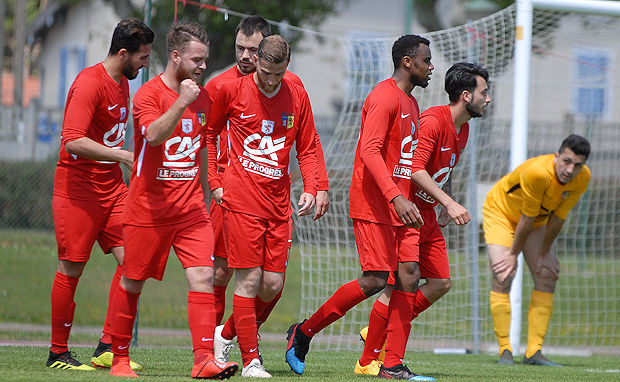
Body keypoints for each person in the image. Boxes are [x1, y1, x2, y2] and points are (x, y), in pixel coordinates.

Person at [285, 34, 434, 380]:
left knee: (409, 277)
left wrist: (414, 198)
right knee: (375, 280)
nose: (431, 67)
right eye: (426, 60)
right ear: (407, 62)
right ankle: (304, 332)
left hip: (403, 207)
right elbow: (369, 152)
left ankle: (392, 364)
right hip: (374, 204)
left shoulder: (412, 104)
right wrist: (395, 196)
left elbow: (404, 161)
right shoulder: (383, 97)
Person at [106, 22, 238, 379]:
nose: (202, 67)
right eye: (196, 59)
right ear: (176, 56)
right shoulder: (148, 94)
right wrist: (182, 100)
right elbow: (152, 136)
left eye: (206, 60)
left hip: (192, 209)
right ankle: (118, 359)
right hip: (148, 208)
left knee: (203, 277)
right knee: (132, 282)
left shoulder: (206, 97)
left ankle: (203, 361)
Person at [356, 62, 492, 376]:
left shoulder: (464, 128)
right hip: (410, 215)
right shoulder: (432, 120)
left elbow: (447, 167)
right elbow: (415, 169)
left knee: (441, 282)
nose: (488, 99)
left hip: (429, 214)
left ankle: (382, 334)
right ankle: (372, 358)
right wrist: (451, 203)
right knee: (398, 285)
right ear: (466, 95)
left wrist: (446, 200)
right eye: (484, 92)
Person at [205, 34, 320, 378]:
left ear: (287, 67)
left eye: (278, 74)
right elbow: (209, 135)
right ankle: (251, 360)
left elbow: (309, 146)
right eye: (266, 72)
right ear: (257, 61)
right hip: (241, 201)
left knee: (272, 285)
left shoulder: (296, 93)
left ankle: (225, 333)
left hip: (279, 204)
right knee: (249, 279)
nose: (271, 81)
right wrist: (215, 182)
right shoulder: (231, 90)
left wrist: (312, 187)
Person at [47, 18, 153, 372]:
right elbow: (72, 139)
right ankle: (57, 353)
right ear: (123, 54)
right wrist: (123, 155)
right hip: (77, 191)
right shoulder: (89, 83)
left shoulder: (122, 81)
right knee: (72, 268)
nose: (145, 64)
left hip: (112, 190)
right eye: (142, 57)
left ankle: (108, 345)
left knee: (133, 260)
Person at [485, 134, 590, 366]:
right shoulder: (537, 173)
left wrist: (543, 253)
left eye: (578, 165)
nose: (570, 169)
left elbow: (559, 217)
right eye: (566, 161)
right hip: (501, 213)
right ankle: (505, 351)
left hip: (536, 221)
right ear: (556, 156)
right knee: (504, 273)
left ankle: (534, 352)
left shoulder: (583, 178)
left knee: (547, 273)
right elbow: (526, 217)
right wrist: (512, 255)